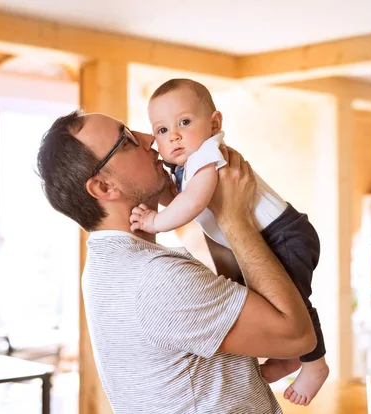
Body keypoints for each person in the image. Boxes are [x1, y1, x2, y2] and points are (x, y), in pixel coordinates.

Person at [36, 109, 316, 414]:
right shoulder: (155, 278)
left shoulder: (108, 268)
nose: (149, 138)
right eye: (127, 140)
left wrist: (208, 208)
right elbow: (297, 337)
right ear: (104, 188)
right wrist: (236, 220)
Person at [130, 78, 329, 405]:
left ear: (214, 124)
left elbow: (192, 202)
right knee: (273, 304)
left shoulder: (207, 155)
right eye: (162, 130)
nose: (174, 135)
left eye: (184, 122)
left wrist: (154, 221)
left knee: (291, 302)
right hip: (271, 237)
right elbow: (179, 197)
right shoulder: (186, 165)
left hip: (284, 235)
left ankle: (315, 364)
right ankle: (293, 354)